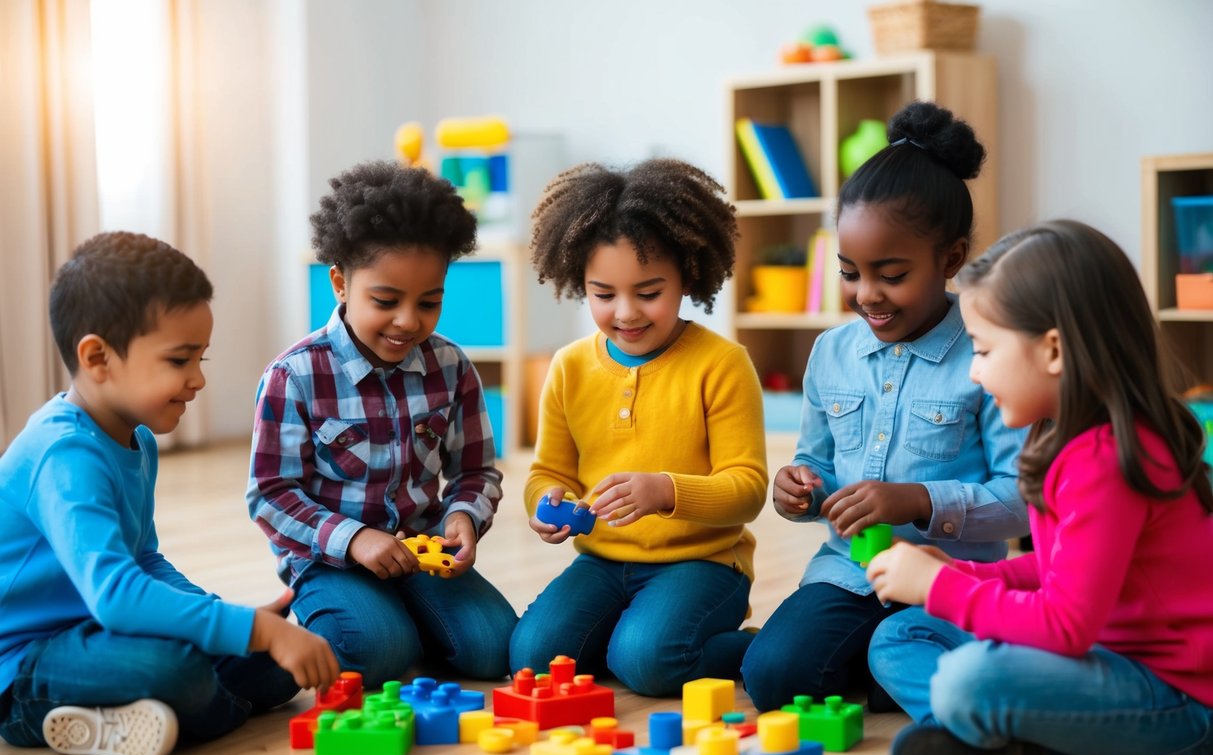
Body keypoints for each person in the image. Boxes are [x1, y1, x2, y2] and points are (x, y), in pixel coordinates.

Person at [866, 219, 1213, 755]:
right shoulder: (1064, 436)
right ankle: (1021, 739)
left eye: (982, 350)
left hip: (1175, 701)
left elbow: (1065, 625)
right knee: (900, 636)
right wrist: (958, 573)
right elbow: (1057, 572)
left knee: (968, 681)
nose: (975, 372)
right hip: (1099, 659)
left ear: (1053, 349)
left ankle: (1007, 738)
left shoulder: (1109, 459)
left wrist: (940, 586)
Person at [0, 232, 339, 755]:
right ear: (98, 357)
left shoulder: (134, 439)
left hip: (102, 631)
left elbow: (146, 560)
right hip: (25, 662)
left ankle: (179, 707)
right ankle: (73, 713)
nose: (198, 379)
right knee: (179, 672)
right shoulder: (63, 454)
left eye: (201, 358)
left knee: (272, 670)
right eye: (180, 360)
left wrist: (225, 617)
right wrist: (252, 629)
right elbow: (116, 593)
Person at [741, 101, 1030, 713]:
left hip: (947, 578)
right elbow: (813, 463)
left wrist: (917, 501)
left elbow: (1021, 506)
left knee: (880, 666)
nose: (866, 294)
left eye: (891, 275)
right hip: (848, 572)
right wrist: (796, 489)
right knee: (771, 678)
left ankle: (878, 662)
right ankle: (859, 661)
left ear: (949, 260)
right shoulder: (831, 353)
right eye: (849, 272)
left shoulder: (988, 357)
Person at [247, 160, 517, 689]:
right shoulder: (295, 375)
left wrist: (464, 516)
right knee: (377, 652)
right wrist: (354, 540)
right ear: (341, 283)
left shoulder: (452, 366)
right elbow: (271, 494)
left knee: (494, 649)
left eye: (430, 302)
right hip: (332, 559)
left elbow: (476, 470)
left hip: (422, 548)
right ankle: (356, 622)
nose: (408, 321)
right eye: (386, 301)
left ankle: (404, 620)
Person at [510, 158, 768, 697]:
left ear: (688, 276)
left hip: (703, 563)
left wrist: (665, 490)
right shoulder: (570, 366)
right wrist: (546, 502)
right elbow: (547, 471)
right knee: (532, 658)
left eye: (648, 292)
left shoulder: (722, 363)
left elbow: (746, 490)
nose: (625, 312)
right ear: (580, 283)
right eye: (604, 294)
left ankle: (757, 647)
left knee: (647, 662)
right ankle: (626, 640)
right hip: (603, 560)